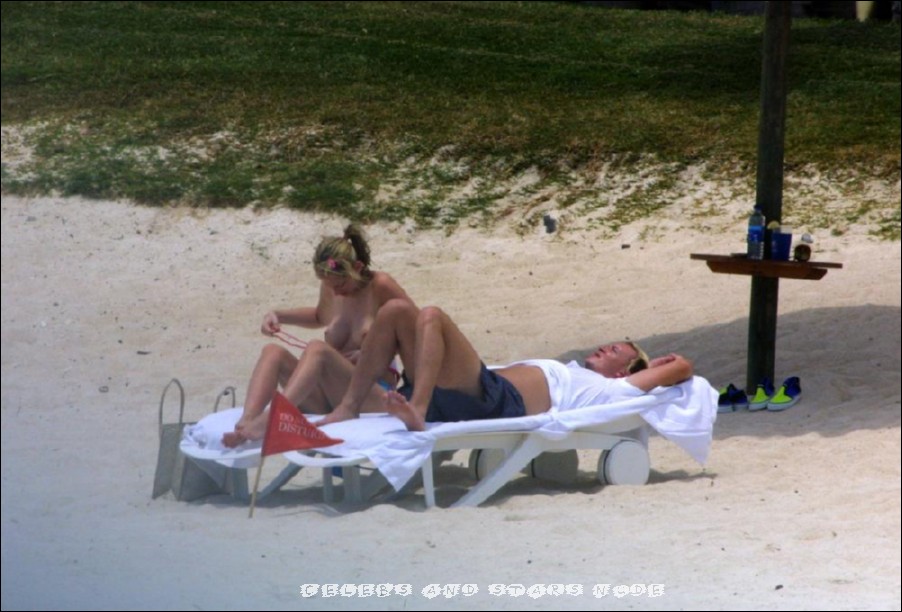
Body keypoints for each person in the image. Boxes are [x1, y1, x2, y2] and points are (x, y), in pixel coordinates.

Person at [318, 300, 693, 432]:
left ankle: (417, 407)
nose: (603, 347)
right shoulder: (575, 370)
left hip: (494, 399)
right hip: (460, 393)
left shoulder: (612, 389)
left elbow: (683, 367)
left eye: (613, 351)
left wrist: (658, 365)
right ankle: (349, 406)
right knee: (395, 310)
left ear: (622, 372)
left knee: (431, 315)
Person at [222, 225, 415, 447]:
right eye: (329, 286)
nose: (336, 292)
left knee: (317, 350)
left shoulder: (380, 286)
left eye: (340, 285)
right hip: (330, 394)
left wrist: (372, 354)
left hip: (370, 393)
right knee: (272, 352)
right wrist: (278, 315)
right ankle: (245, 424)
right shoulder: (332, 284)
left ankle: (269, 419)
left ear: (358, 267)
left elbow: (414, 331)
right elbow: (319, 317)